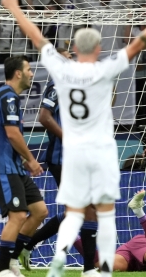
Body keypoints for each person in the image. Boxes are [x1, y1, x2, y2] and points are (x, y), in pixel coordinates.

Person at [0, 0, 146, 277]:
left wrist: (14, 8)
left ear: (73, 49)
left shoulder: (62, 74)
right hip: (83, 152)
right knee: (88, 209)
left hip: (79, 154)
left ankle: (69, 261)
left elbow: (35, 36)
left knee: (85, 209)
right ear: (98, 49)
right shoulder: (101, 71)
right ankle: (62, 258)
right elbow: (138, 44)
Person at [18, 48, 99, 276]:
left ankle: (29, 243)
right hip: (62, 157)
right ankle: (89, 270)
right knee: (89, 209)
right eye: (69, 56)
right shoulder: (57, 84)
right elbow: (43, 117)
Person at [0, 55, 47, 277]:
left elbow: (4, 135)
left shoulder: (3, 94)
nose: (31, 73)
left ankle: (11, 258)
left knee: (39, 211)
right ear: (18, 73)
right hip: (2, 168)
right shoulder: (9, 97)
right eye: (29, 69)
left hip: (13, 166)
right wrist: (30, 159)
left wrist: (21, 160)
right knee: (18, 216)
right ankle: (2, 270)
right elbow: (12, 134)